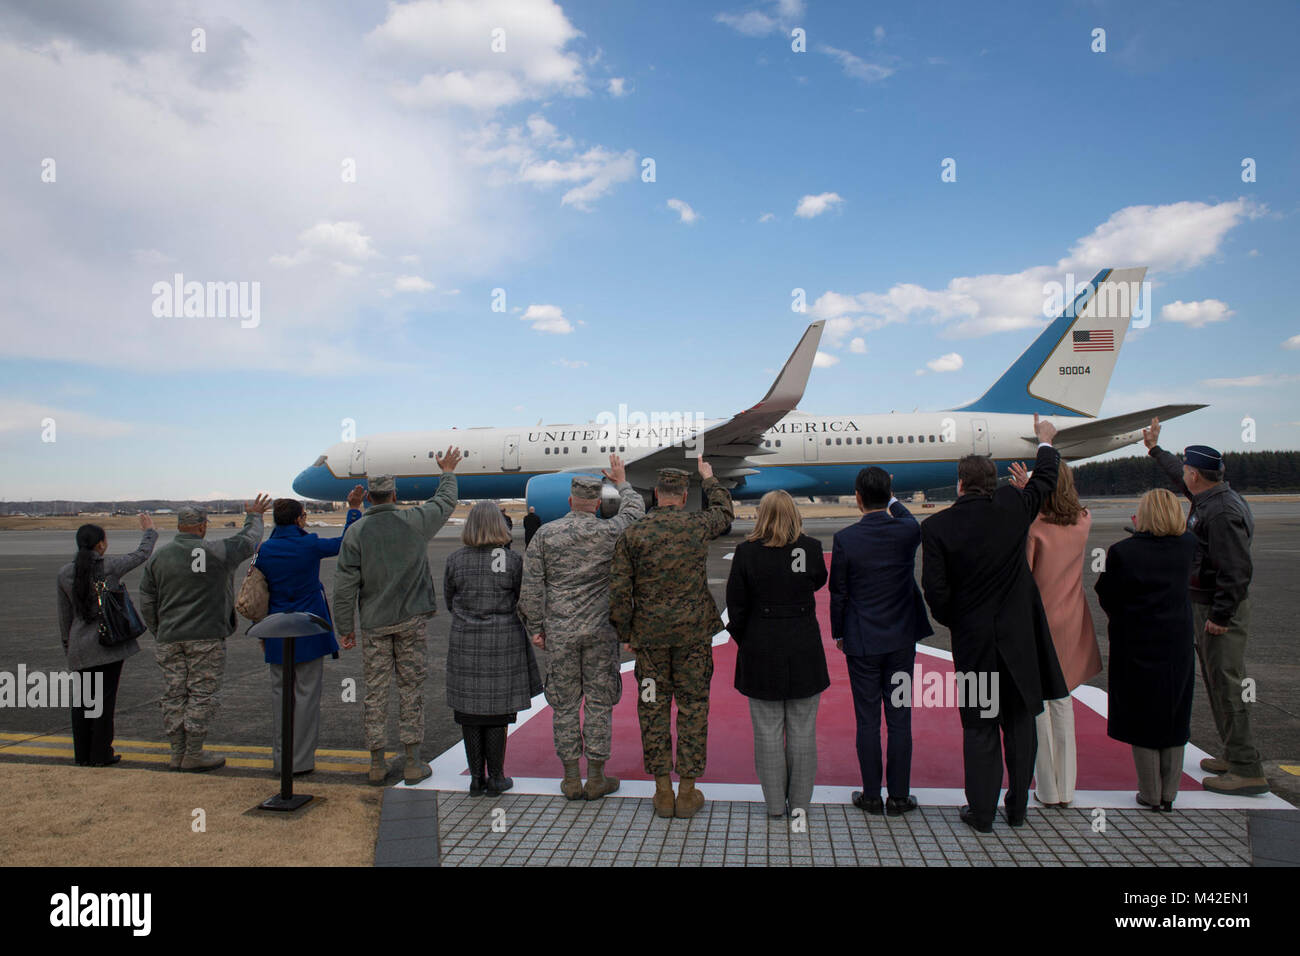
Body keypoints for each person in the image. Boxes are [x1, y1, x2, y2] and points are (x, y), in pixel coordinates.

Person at [920, 415, 1068, 832]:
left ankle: (981, 812)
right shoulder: (1013, 508)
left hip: (975, 645)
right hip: (1019, 644)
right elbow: (1044, 481)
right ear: (993, 482)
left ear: (960, 484)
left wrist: (961, 621)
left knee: (980, 729)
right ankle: (1017, 808)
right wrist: (1044, 444)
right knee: (1021, 727)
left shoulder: (936, 527)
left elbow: (936, 592)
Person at [1142, 419, 1267, 795]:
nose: (1183, 476)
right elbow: (1180, 481)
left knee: (1227, 685)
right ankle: (1233, 753)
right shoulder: (1212, 498)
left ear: (1196, 474)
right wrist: (1154, 451)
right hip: (1210, 604)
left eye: (1186, 470)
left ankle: (1247, 767)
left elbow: (1236, 570)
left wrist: (1220, 615)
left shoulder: (1221, 512)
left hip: (1218, 609)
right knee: (1216, 682)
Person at [610, 458, 733, 819]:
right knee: (693, 708)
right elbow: (724, 513)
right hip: (693, 638)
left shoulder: (634, 532)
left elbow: (619, 590)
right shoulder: (697, 525)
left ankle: (663, 791)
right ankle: (688, 790)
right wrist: (710, 479)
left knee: (653, 708)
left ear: (654, 495)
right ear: (682, 496)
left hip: (649, 643)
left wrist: (626, 632)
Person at [518, 455, 644, 800]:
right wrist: (622, 481)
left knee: (565, 703)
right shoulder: (611, 530)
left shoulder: (546, 534)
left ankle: (571, 777)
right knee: (600, 703)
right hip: (602, 631)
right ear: (598, 503)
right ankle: (597, 777)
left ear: (571, 501)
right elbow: (635, 512)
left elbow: (531, 587)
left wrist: (536, 627)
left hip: (560, 631)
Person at [332, 450, 460, 786]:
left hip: (374, 623)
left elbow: (344, 586)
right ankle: (413, 762)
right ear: (394, 495)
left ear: (370, 497)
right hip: (411, 621)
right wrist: (446, 471)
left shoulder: (356, 532)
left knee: (375, 692)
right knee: (411, 690)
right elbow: (445, 501)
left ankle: (376, 762)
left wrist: (345, 628)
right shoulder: (414, 522)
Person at [829, 468, 932, 816]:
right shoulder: (906, 531)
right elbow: (908, 517)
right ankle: (900, 797)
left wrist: (839, 633)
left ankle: (872, 795)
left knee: (868, 720)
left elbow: (838, 593)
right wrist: (890, 495)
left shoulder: (845, 539)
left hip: (861, 641)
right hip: (901, 639)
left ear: (857, 498)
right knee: (900, 718)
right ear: (888, 494)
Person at [141, 496, 270, 771]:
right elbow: (249, 540)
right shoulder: (216, 552)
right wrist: (254, 516)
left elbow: (147, 600)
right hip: (206, 636)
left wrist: (159, 630)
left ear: (179, 526)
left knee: (173, 694)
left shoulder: (158, 558)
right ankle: (194, 753)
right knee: (202, 694)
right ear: (202, 527)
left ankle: (177, 752)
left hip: (169, 637)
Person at [726, 490, 828, 818]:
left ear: (761, 514)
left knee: (767, 731)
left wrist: (750, 639)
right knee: (803, 730)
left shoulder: (746, 553)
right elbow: (817, 582)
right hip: (803, 647)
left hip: (761, 645)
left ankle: (774, 806)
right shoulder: (811, 549)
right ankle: (799, 805)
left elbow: (736, 608)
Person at [1096, 489, 1197, 811]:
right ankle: (1169, 793)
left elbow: (1108, 594)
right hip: (1177, 640)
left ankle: (1149, 792)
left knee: (1141, 715)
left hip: (1136, 641)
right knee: (1175, 711)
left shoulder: (1124, 552)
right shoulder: (1188, 546)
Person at [1009, 460, 1102, 808]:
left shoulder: (1033, 526)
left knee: (1040, 707)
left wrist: (1024, 496)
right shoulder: (1083, 519)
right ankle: (1067, 789)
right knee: (1063, 701)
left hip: (1040, 621)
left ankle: (1047, 788)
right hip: (1072, 618)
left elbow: (1025, 577)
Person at [255, 487, 364, 775]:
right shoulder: (310, 545)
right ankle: (301, 761)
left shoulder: (265, 550)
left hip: (277, 631)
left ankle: (281, 761)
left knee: (281, 697)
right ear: (300, 519)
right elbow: (346, 543)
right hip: (308, 630)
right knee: (306, 697)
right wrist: (353, 509)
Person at [445, 501, 543, 796]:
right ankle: (497, 776)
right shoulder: (512, 561)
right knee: (498, 713)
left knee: (470, 712)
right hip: (503, 642)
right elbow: (523, 601)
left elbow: (450, 601)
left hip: (465, 641)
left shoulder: (455, 560)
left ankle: (476, 777)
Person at [55, 514, 157, 767]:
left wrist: (69, 647)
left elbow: (64, 616)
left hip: (79, 647)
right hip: (106, 645)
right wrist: (150, 531)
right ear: (100, 544)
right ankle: (101, 753)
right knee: (103, 702)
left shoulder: (65, 573)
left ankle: (83, 754)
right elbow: (141, 554)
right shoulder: (108, 567)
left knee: (81, 704)